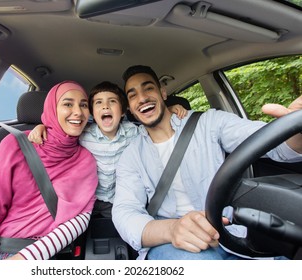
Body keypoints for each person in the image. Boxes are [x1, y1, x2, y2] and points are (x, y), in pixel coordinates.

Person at [111, 65, 302, 260]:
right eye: (133, 95)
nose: (142, 98)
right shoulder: (131, 155)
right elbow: (125, 211)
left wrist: (295, 127)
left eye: (148, 88)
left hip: (232, 233)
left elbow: (267, 143)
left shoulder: (209, 123)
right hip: (174, 243)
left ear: (162, 92)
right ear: (130, 109)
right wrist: (172, 229)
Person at [0, 81, 98, 260]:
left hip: (40, 255)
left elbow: (78, 220)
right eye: (68, 104)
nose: (78, 112)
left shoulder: (86, 159)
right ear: (52, 108)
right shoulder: (13, 144)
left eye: (84, 105)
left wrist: (21, 261)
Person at [28, 81, 188, 218]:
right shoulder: (84, 133)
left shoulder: (133, 132)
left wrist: (169, 110)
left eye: (112, 101)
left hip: (120, 200)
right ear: (91, 113)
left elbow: (155, 127)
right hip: (90, 200)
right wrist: (42, 127)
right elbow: (63, 132)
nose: (105, 106)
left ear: (124, 111)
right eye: (98, 102)